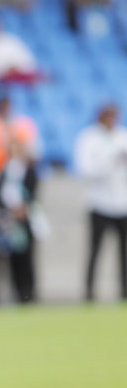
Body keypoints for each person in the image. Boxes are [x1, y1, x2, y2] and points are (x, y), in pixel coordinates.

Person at [74, 103, 127, 301]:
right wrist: (111, 160)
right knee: (95, 250)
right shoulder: (88, 138)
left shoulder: (123, 135)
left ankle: (124, 291)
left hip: (123, 203)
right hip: (99, 203)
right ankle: (89, 291)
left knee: (124, 253)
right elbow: (85, 170)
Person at [0, 139, 39, 303]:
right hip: (10, 221)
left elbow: (34, 191)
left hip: (26, 220)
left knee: (28, 258)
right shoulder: (4, 171)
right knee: (12, 258)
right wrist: (10, 211)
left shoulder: (29, 170)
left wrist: (24, 208)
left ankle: (30, 293)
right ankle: (17, 293)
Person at [0, 94, 39, 171]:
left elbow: (34, 151)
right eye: (1, 103)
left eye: (6, 103)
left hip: (17, 165)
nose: (4, 107)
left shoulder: (24, 123)